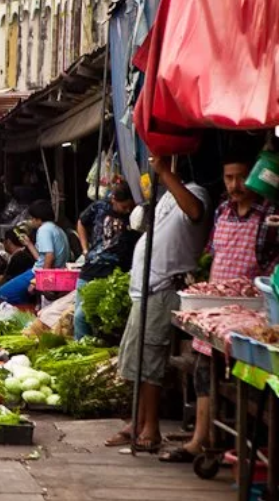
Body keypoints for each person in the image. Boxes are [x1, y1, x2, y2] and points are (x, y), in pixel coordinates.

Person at [160, 151, 277, 463]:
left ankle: (243, 444)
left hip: (252, 310)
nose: (235, 185)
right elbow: (212, 250)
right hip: (215, 307)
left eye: (240, 177)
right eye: (229, 178)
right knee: (202, 370)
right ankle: (201, 439)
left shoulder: (268, 215)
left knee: (247, 380)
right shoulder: (222, 210)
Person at [108, 156, 209, 452]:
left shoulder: (196, 194)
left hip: (162, 289)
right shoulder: (167, 198)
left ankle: (150, 429)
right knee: (135, 360)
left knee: (149, 362)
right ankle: (137, 420)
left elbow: (195, 211)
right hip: (144, 290)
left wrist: (165, 173)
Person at [73, 182, 138, 340]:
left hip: (114, 274)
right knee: (79, 317)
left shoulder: (135, 215)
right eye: (124, 207)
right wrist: (85, 249)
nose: (127, 211)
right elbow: (81, 222)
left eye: (129, 207)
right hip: (91, 269)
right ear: (114, 199)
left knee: (85, 317)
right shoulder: (100, 207)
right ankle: (82, 349)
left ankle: (90, 347)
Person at [0, 199, 68, 305]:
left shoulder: (44, 230)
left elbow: (50, 256)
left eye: (32, 218)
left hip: (40, 273)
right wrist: (29, 244)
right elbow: (41, 259)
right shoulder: (57, 229)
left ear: (38, 219)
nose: (31, 221)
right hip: (52, 272)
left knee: (2, 294)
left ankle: (25, 311)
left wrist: (41, 280)